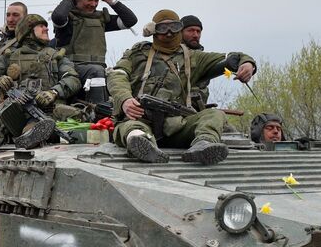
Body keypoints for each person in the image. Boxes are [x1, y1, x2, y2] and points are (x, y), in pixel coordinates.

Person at [107, 9, 257, 165]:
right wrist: (125, 100)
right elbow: (117, 75)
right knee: (130, 127)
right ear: (153, 30)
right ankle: (142, 144)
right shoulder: (136, 55)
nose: (169, 33)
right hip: (141, 119)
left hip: (177, 127)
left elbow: (232, 57)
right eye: (163, 28)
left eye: (174, 27)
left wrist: (247, 63)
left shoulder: (193, 57)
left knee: (214, 115)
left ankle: (203, 144)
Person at [0, 14, 81, 149]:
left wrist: (53, 92)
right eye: (41, 26)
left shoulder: (55, 56)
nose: (46, 29)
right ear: (28, 31)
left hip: (45, 112)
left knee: (39, 128)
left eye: (46, 26)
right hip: (14, 113)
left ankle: (29, 136)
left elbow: (73, 79)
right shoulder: (9, 57)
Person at [50, 0, 139, 109]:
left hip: (98, 72)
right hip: (71, 70)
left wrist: (110, 0)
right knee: (96, 70)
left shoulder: (100, 19)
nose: (93, 4)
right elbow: (58, 17)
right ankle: (100, 111)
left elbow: (130, 20)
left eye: (97, 0)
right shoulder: (68, 19)